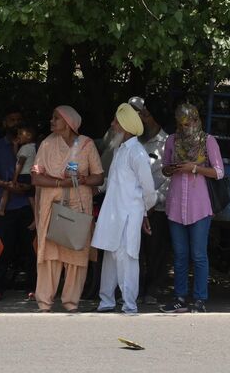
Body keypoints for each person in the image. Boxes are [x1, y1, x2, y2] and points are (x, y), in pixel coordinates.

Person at [31, 105, 104, 312]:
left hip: (79, 206)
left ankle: (71, 303)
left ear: (69, 122)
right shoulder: (46, 144)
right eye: (52, 117)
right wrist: (59, 184)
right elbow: (36, 176)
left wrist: (84, 179)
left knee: (76, 253)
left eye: (56, 118)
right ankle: (44, 302)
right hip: (52, 205)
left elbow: (98, 176)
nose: (51, 121)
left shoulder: (87, 145)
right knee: (49, 254)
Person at [92, 103, 157, 314]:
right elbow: (114, 182)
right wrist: (93, 185)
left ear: (126, 126)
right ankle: (107, 300)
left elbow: (148, 190)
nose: (112, 125)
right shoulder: (120, 150)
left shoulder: (137, 153)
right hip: (113, 213)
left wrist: (143, 212)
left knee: (127, 257)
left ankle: (129, 304)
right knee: (111, 255)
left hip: (129, 214)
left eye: (116, 122)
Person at [160, 103, 225, 313]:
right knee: (179, 255)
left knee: (198, 255)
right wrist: (170, 169)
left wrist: (194, 168)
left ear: (197, 121)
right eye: (182, 123)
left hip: (200, 207)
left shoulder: (208, 141)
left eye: (189, 122)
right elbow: (164, 168)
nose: (186, 127)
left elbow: (219, 172)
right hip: (176, 205)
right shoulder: (171, 140)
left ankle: (199, 299)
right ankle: (179, 297)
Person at [0, 108, 36, 301]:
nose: (15, 123)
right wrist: (7, 185)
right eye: (11, 119)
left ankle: (33, 287)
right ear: (4, 123)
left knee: (32, 249)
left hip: (28, 206)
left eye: (18, 119)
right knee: (3, 249)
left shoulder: (32, 146)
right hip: (5, 208)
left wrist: (27, 186)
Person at [130, 97, 172, 305]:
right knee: (133, 250)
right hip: (134, 205)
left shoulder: (168, 144)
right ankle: (134, 289)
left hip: (157, 207)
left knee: (155, 250)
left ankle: (153, 289)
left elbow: (170, 178)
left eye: (145, 115)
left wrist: (155, 202)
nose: (141, 119)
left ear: (156, 119)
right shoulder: (133, 141)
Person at [0, 125, 37, 231]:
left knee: (7, 187)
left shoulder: (26, 148)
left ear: (28, 136)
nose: (18, 136)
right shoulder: (32, 147)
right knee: (31, 198)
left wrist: (15, 178)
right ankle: (36, 218)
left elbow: (19, 163)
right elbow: (17, 157)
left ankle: (1, 209)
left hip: (24, 176)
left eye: (20, 134)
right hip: (29, 176)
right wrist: (15, 146)